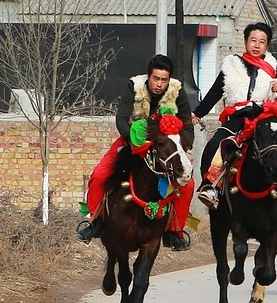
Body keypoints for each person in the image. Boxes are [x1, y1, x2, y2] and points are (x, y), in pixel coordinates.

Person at [192, 22, 277, 219]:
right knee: (215, 144)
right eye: (253, 40)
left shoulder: (273, 65)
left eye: (262, 42)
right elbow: (214, 93)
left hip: (264, 117)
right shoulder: (231, 64)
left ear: (267, 45)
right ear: (246, 41)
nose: (257, 45)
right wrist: (198, 113)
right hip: (238, 116)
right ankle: (211, 187)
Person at [76, 54, 196, 250]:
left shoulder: (177, 91)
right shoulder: (134, 86)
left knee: (188, 185)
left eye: (164, 80)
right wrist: (132, 140)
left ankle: (174, 231)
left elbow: (187, 125)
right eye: (156, 79)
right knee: (99, 175)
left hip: (165, 147)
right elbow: (121, 118)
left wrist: (186, 147)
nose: (159, 84)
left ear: (169, 80)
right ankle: (95, 221)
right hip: (132, 141)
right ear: (149, 76)